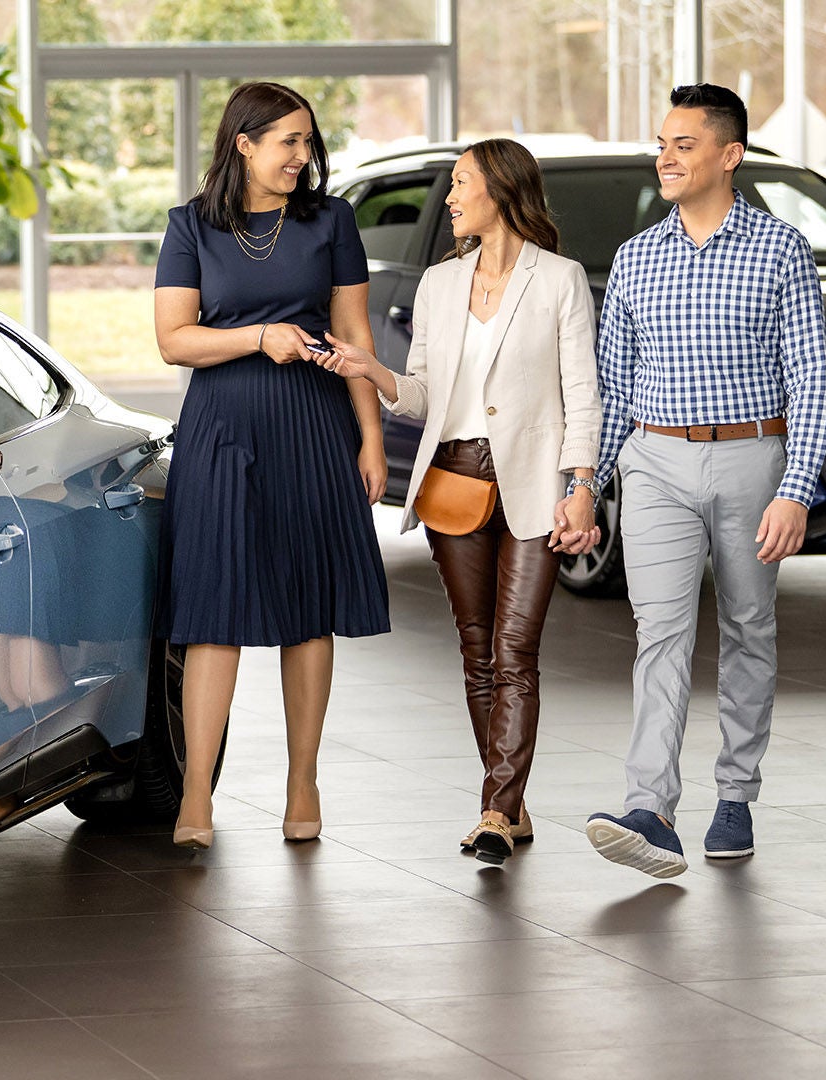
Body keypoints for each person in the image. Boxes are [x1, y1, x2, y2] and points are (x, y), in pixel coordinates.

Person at [315, 139, 603, 865]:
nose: (448, 197)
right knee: (478, 652)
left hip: (534, 483)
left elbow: (582, 394)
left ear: (499, 190)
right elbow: (422, 396)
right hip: (455, 479)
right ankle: (507, 806)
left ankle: (496, 809)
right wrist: (372, 370)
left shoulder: (559, 279)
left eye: (460, 183)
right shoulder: (440, 285)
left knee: (515, 650)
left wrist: (582, 486)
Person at [582, 84, 826, 878]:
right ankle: (650, 810)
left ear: (731, 155)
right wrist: (585, 484)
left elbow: (811, 380)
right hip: (654, 462)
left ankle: (735, 796)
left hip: (753, 458)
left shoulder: (781, 249)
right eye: (662, 144)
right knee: (659, 634)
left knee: (749, 629)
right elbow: (615, 386)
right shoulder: (636, 257)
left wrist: (796, 488)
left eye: (683, 144)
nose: (665, 157)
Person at [153, 81, 390, 850]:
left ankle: (302, 781)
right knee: (211, 608)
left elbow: (354, 335)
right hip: (221, 425)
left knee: (307, 607)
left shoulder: (331, 219)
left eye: (308, 141)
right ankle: (196, 793)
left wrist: (370, 436)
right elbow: (174, 339)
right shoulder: (190, 225)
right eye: (288, 140)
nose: (302, 155)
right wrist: (260, 337)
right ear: (244, 143)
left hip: (314, 423)